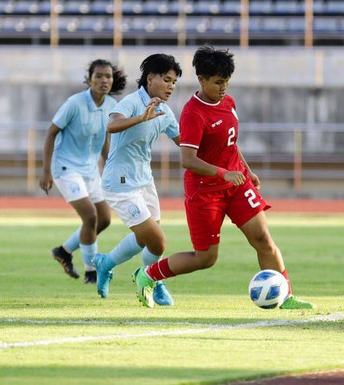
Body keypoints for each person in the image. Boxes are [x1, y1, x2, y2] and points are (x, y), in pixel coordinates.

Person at [133, 45, 315, 309]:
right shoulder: (193, 113)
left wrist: (246, 169)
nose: (223, 88)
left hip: (236, 184)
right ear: (202, 79)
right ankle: (148, 274)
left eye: (227, 82)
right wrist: (223, 173)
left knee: (263, 239)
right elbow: (187, 159)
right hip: (205, 191)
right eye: (218, 82)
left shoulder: (228, 103)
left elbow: (229, 143)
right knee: (205, 258)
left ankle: (285, 296)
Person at [92, 53, 182, 306]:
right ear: (150, 78)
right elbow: (112, 125)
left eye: (174, 82)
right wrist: (140, 118)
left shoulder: (164, 110)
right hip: (120, 184)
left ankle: (105, 263)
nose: (171, 87)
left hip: (144, 181)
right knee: (158, 240)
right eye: (167, 80)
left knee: (146, 239)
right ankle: (152, 279)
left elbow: (183, 141)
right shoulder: (133, 102)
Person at [39, 59, 126, 284]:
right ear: (89, 79)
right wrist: (46, 171)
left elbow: (104, 139)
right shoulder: (74, 103)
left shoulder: (110, 105)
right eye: (98, 76)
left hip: (89, 169)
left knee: (104, 219)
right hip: (65, 167)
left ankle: (64, 251)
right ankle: (91, 271)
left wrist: (109, 166)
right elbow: (51, 133)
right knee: (90, 216)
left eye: (108, 76)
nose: (104, 80)